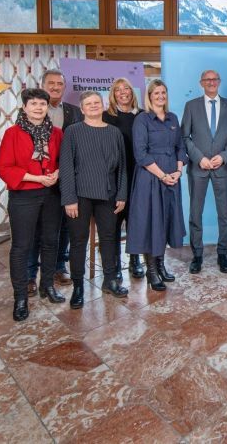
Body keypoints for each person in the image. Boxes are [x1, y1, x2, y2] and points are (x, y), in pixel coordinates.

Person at [0, 88, 66, 322]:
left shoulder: (56, 133)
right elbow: (3, 167)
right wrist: (36, 178)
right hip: (24, 195)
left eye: (42, 104)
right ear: (24, 107)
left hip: (51, 194)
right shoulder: (12, 133)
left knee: (50, 241)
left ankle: (47, 285)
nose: (38, 107)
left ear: (47, 107)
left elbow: (64, 160)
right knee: (21, 246)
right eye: (33, 103)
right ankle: (20, 298)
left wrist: (57, 173)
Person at [60, 91, 129, 308]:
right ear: (82, 109)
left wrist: (121, 194)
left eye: (96, 102)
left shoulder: (114, 132)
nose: (93, 106)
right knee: (78, 241)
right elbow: (66, 166)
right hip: (79, 196)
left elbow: (122, 167)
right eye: (88, 104)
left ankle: (110, 280)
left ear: (103, 105)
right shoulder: (72, 131)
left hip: (108, 195)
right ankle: (78, 286)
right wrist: (69, 198)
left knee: (109, 238)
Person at [127, 80, 188, 291]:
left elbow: (180, 147)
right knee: (151, 222)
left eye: (163, 92)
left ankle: (161, 265)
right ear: (149, 96)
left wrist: (178, 172)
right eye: (156, 93)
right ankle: (151, 270)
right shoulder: (142, 119)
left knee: (165, 221)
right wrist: (162, 175)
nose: (160, 96)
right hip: (150, 177)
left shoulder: (173, 118)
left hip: (172, 178)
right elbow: (140, 154)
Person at [27, 68, 81, 292]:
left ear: (64, 87)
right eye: (51, 83)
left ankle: (59, 267)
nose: (56, 87)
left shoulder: (74, 111)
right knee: (35, 228)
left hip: (67, 178)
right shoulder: (32, 109)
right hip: (38, 178)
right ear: (42, 85)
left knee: (65, 225)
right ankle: (30, 274)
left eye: (60, 84)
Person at [181, 69, 227, 274]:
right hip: (198, 167)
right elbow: (185, 137)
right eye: (207, 80)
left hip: (222, 167)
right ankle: (197, 255)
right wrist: (199, 158)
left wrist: (224, 156)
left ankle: (223, 254)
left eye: (214, 79)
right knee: (195, 213)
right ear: (201, 83)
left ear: (219, 82)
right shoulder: (191, 106)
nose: (211, 82)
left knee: (224, 213)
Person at [102, 78, 143, 279]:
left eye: (126, 88)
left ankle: (135, 260)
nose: (123, 92)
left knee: (135, 220)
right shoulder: (105, 117)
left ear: (132, 92)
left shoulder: (142, 115)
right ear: (113, 95)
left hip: (138, 174)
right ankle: (115, 264)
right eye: (118, 90)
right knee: (114, 222)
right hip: (115, 177)